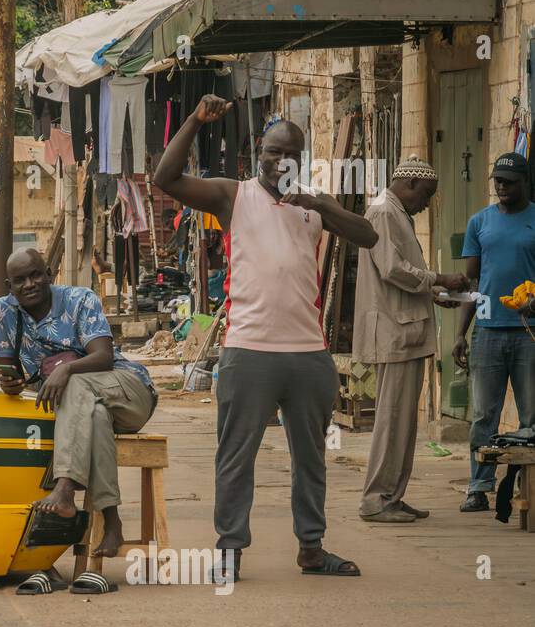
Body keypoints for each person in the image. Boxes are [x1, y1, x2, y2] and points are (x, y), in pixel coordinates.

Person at [152, 96, 378, 580]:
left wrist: (318, 203)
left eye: (290, 154)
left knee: (311, 458)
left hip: (308, 355)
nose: (280, 162)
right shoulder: (233, 197)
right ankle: (230, 551)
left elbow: (368, 236)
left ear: (303, 159)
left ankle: (312, 550)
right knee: (236, 456)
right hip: (248, 350)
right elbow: (165, 179)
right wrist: (194, 120)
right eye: (272, 152)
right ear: (259, 152)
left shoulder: (316, 205)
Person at [0, 248, 157, 585]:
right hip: (87, 406)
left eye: (36, 275)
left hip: (127, 391)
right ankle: (112, 522)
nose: (30, 284)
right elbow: (5, 368)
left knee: (79, 385)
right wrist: (10, 384)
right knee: (93, 415)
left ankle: (65, 489)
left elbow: (104, 356)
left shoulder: (80, 299)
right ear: (10, 286)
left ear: (50, 273)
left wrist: (66, 371)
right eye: (20, 280)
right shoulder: (3, 312)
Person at [354, 157, 468, 523]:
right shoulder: (385, 212)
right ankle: (377, 499)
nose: (426, 204)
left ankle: (392, 496)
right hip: (395, 330)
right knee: (392, 419)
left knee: (402, 421)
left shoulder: (394, 212)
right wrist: (439, 279)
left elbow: (399, 274)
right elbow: (393, 269)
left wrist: (433, 295)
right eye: (426, 196)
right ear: (410, 186)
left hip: (404, 326)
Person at [453, 152, 535, 512]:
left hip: (528, 332)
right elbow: (472, 282)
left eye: (509, 181)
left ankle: (525, 485)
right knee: (484, 415)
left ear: (525, 183)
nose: (501, 187)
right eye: (497, 181)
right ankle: (478, 486)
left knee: (531, 416)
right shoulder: (479, 222)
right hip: (487, 330)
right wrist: (460, 332)